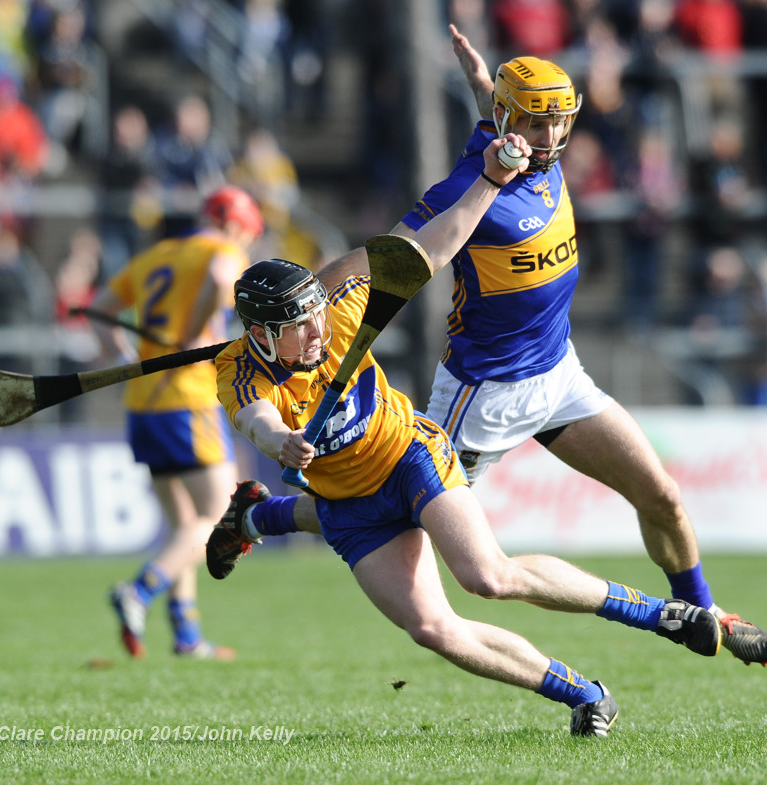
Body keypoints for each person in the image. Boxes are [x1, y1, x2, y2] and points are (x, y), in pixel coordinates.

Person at [213, 26, 767, 667]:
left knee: (663, 497)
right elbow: (384, 258)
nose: (552, 139)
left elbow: (509, 118)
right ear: (510, 123)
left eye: (561, 123)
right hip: (483, 395)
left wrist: (485, 85)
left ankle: (708, 614)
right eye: (538, 125)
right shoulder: (471, 185)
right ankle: (261, 518)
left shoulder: (532, 146)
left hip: (561, 373)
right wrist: (300, 306)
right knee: (387, 509)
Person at [207, 135, 724, 738]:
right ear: (265, 337)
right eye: (300, 327)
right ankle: (586, 694)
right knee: (432, 629)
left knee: (488, 576)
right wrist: (281, 442)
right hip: (350, 506)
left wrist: (490, 179)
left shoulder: (342, 315)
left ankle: (660, 614)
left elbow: (434, 246)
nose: (318, 331)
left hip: (408, 457)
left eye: (318, 315)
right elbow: (256, 421)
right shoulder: (237, 371)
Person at [91, 185, 264, 661]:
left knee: (183, 527)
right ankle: (139, 592)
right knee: (215, 516)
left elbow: (101, 305)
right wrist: (194, 333)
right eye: (247, 237)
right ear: (233, 226)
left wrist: (120, 352)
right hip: (187, 399)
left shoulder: (158, 254)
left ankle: (186, 636)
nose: (244, 247)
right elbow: (219, 273)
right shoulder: (222, 248)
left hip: (143, 400)